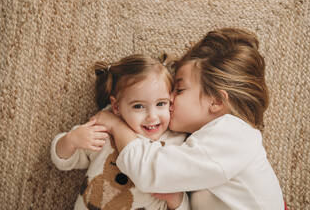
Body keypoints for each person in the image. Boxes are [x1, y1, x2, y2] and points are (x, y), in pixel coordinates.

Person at [92, 28, 286, 210]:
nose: (170, 98)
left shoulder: (233, 133)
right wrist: (178, 201)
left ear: (216, 101)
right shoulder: (200, 147)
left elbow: (152, 173)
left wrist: (116, 125)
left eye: (179, 89)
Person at [50, 54, 190, 210]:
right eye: (138, 106)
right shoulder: (104, 131)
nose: (152, 116)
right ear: (116, 107)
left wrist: (176, 199)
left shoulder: (177, 142)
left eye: (161, 103)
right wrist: (71, 140)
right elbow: (61, 159)